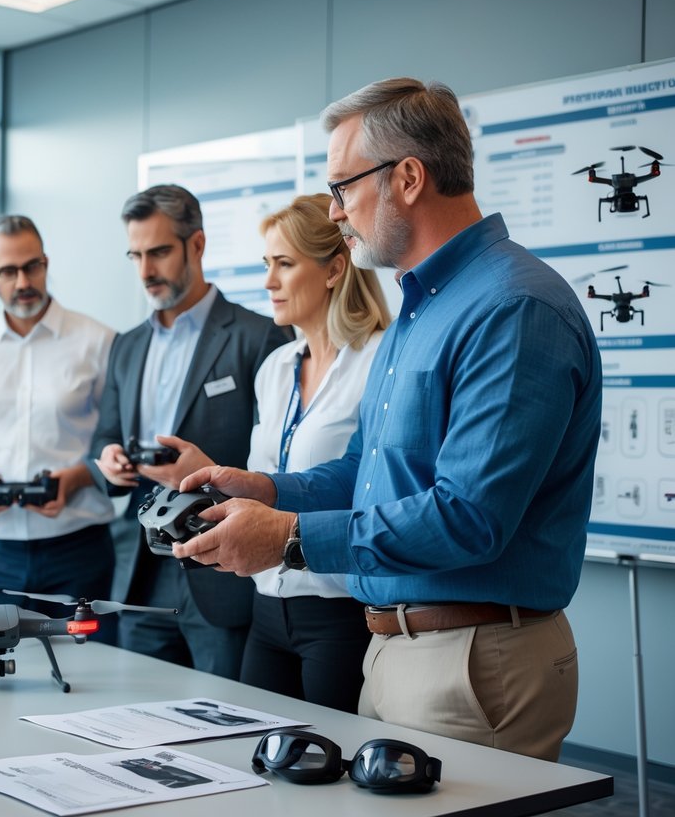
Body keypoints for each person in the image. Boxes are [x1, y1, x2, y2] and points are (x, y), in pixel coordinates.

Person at [175, 78, 602, 761]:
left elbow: (469, 517)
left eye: (342, 187)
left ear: (406, 177)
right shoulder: (420, 306)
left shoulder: (512, 309)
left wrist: (289, 537)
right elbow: (370, 473)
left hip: (470, 661)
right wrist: (269, 491)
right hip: (394, 652)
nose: (336, 212)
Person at [89, 185, 290, 678]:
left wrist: (205, 470)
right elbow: (104, 437)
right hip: (142, 567)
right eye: (135, 254)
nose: (144, 271)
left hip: (222, 565)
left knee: (225, 721)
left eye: (158, 252)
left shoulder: (259, 335)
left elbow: (281, 462)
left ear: (196, 245)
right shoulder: (127, 345)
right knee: (133, 722)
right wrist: (108, 462)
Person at [239, 193, 390, 712]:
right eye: (266, 264)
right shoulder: (276, 366)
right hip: (267, 605)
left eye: (284, 264)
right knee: (254, 758)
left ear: (334, 270)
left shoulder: (379, 361)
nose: (269, 282)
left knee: (335, 771)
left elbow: (367, 483)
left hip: (338, 609)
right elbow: (265, 475)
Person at [0, 215, 116, 623]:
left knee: (90, 673)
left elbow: (116, 441)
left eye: (32, 266)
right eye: (8, 271)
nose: (23, 281)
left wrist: (78, 477)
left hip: (77, 548)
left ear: (45, 264)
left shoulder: (99, 341)